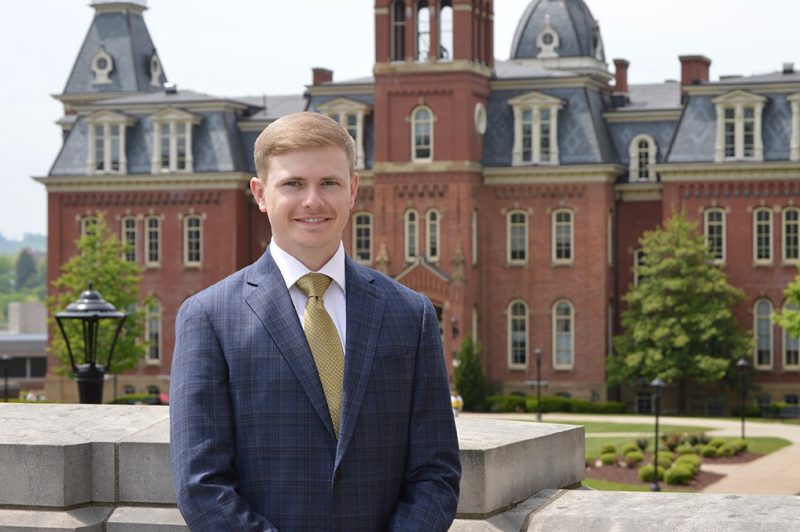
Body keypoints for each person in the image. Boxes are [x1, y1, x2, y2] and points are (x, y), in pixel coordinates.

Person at [170, 112, 461, 531]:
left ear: (353, 189)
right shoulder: (209, 318)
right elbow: (201, 486)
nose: (313, 201)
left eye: (329, 182)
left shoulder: (410, 315)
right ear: (260, 193)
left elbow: (436, 473)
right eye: (292, 184)